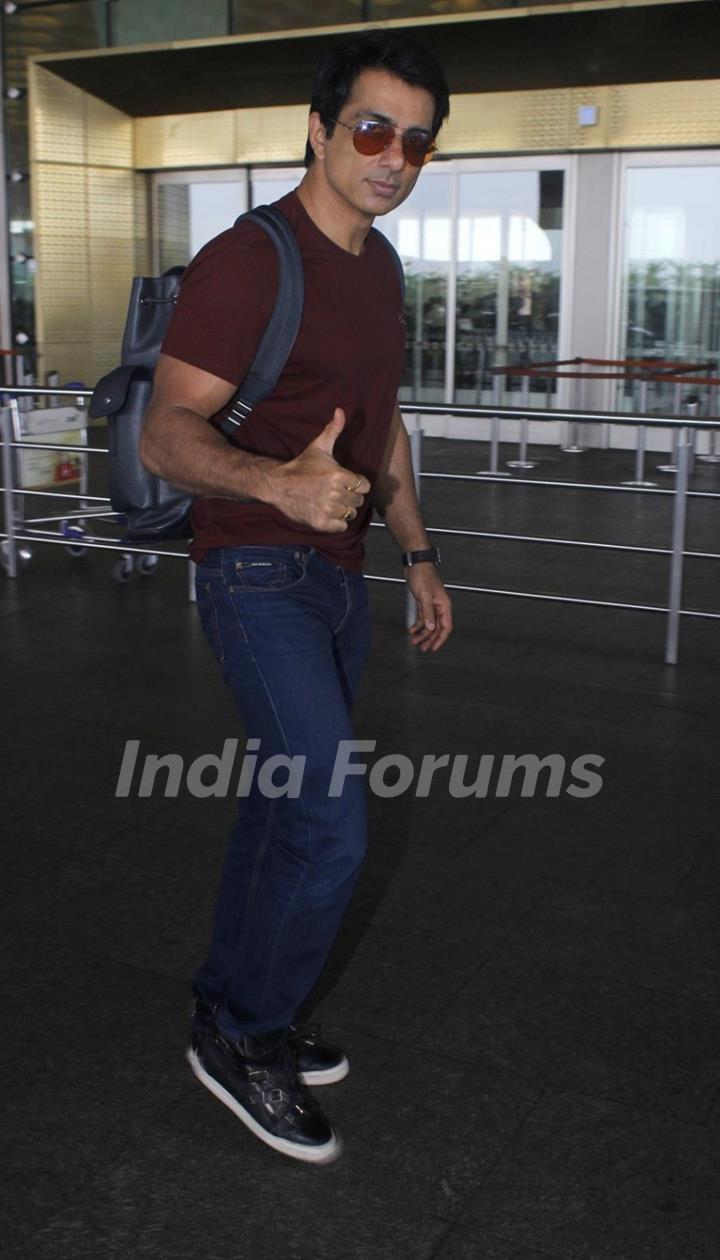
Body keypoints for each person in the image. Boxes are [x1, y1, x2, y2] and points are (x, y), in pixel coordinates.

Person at [140, 28, 452, 1164]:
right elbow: (165, 432)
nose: (393, 156)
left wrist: (415, 549)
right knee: (329, 826)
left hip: (335, 573)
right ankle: (251, 1036)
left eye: (416, 142)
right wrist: (278, 482)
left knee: (282, 809)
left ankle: (229, 1001)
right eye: (372, 130)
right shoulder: (250, 261)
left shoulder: (382, 267)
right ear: (318, 131)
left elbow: (384, 428)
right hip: (251, 567)